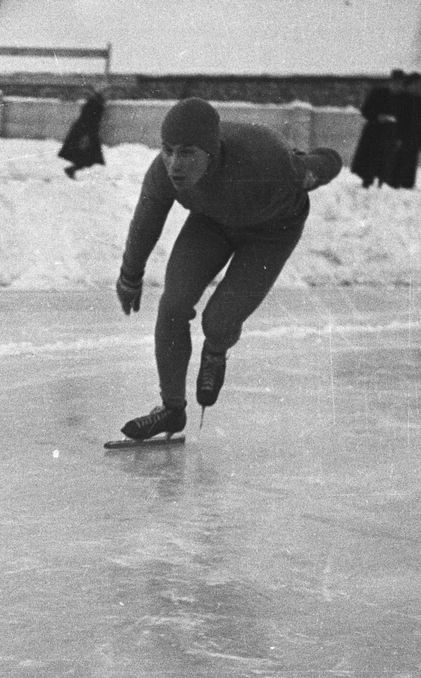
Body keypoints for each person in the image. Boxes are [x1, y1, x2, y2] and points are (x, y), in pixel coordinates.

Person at [114, 98, 343, 440]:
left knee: (218, 321)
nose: (175, 163)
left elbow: (325, 164)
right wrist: (130, 275)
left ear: (211, 151)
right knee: (173, 305)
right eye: (168, 150)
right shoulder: (162, 173)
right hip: (212, 223)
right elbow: (146, 220)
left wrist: (323, 162)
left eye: (188, 152)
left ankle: (216, 350)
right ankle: (171, 409)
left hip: (271, 232)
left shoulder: (266, 161)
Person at [350, 69, 402, 188]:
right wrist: (378, 117)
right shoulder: (378, 94)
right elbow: (365, 111)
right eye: (395, 83)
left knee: (386, 161)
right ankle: (367, 182)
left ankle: (382, 184)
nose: (396, 86)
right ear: (390, 82)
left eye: (399, 84)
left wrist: (399, 136)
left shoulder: (401, 99)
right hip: (374, 133)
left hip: (390, 134)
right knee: (370, 159)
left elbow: (404, 120)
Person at [385, 73, 421, 189]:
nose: (417, 87)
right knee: (396, 163)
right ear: (408, 85)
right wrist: (397, 137)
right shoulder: (400, 99)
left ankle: (407, 186)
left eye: (420, 85)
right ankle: (391, 185)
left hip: (414, 139)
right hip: (399, 137)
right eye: (414, 85)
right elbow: (396, 120)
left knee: (410, 164)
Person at [59, 87, 106, 179]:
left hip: (86, 132)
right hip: (86, 133)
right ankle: (71, 169)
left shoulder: (93, 103)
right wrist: (87, 135)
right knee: (90, 156)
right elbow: (89, 120)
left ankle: (72, 169)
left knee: (90, 156)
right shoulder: (95, 105)